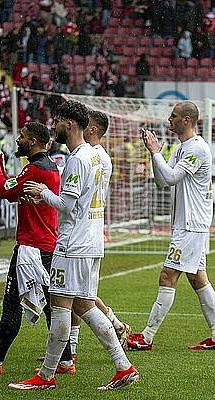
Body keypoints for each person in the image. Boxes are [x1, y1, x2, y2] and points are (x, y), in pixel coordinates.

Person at [11, 100, 138, 391]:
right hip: (92, 242)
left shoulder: (76, 160)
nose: (52, 126)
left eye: (56, 121)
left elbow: (67, 206)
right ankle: (123, 366)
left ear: (69, 124)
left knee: (60, 307)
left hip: (72, 244)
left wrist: (43, 193)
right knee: (84, 305)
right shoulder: (98, 156)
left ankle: (45, 376)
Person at [0, 121, 74, 376]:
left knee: (12, 304)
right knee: (50, 305)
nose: (18, 140)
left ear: (33, 141)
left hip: (31, 248)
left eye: (21, 136)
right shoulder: (48, 167)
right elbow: (13, 193)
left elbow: (3, 190)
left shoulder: (35, 170)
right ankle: (65, 361)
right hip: (45, 245)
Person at [127, 101, 215, 352]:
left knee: (167, 275)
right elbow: (164, 182)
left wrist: (155, 152)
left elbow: (171, 177)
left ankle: (147, 337)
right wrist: (156, 155)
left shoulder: (197, 148)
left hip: (191, 225)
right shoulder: (182, 147)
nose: (168, 119)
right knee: (197, 278)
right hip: (188, 224)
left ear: (186, 120)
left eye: (173, 116)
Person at [65, 110, 131, 360]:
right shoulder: (97, 156)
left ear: (92, 130)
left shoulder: (91, 157)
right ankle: (69, 350)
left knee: (82, 298)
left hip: (85, 231)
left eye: (86, 125)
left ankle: (115, 327)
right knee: (77, 296)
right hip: (91, 230)